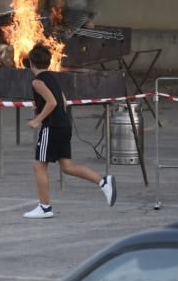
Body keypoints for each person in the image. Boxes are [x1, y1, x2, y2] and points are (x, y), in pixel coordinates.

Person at [24, 43, 115, 219]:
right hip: (64, 125)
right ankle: (103, 182)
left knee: (39, 165)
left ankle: (44, 207)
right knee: (67, 167)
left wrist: (37, 120)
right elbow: (63, 102)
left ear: (31, 64)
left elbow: (52, 103)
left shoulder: (37, 81)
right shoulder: (53, 78)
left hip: (52, 127)